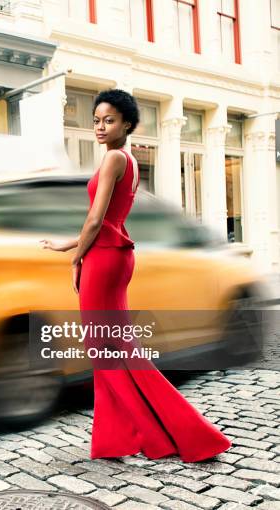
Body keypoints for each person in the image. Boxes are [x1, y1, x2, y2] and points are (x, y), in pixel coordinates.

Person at [40, 89, 231, 462]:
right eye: (96, 120)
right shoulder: (128, 160)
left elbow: (97, 219)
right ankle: (117, 439)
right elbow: (104, 219)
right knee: (114, 350)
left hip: (104, 259)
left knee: (108, 350)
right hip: (113, 257)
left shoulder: (113, 158)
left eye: (108, 120)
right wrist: (70, 246)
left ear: (127, 124)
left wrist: (77, 257)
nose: (99, 126)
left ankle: (176, 432)